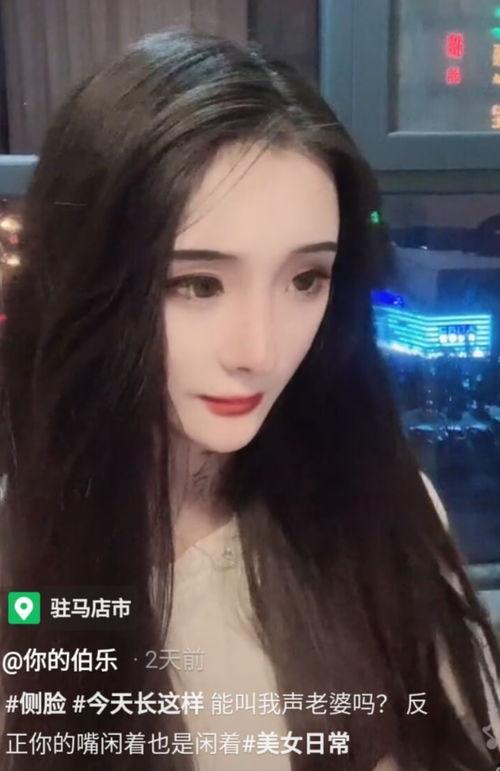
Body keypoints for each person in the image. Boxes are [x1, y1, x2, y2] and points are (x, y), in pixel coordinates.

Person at [0, 27, 499, 771]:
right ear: (86, 281)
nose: (260, 350)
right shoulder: (24, 565)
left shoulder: (382, 511)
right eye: (198, 283)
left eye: (305, 279)